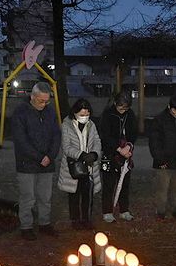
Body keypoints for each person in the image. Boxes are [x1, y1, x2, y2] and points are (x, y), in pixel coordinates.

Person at [11, 82, 61, 240]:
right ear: (32, 96)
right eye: (41, 101)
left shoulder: (50, 112)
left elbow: (56, 135)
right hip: (27, 164)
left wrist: (50, 156)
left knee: (45, 196)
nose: (44, 104)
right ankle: (26, 226)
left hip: (47, 164)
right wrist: (39, 157)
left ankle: (44, 223)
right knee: (28, 197)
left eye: (47, 101)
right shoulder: (20, 113)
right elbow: (21, 140)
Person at [57, 99, 102, 230]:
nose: (84, 117)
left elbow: (97, 141)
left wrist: (94, 154)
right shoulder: (67, 125)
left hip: (89, 166)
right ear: (75, 113)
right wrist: (81, 155)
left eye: (87, 114)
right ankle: (75, 220)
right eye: (82, 115)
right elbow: (66, 146)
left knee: (88, 193)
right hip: (74, 166)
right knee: (74, 194)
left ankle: (87, 219)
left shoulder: (91, 125)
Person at [98, 92, 138, 222]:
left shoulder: (130, 115)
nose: (123, 111)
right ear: (115, 103)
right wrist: (118, 148)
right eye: (121, 107)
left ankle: (124, 210)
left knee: (125, 183)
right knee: (109, 184)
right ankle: (107, 211)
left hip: (126, 154)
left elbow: (133, 132)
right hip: (110, 154)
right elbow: (105, 135)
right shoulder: (107, 115)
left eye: (125, 108)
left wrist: (129, 147)